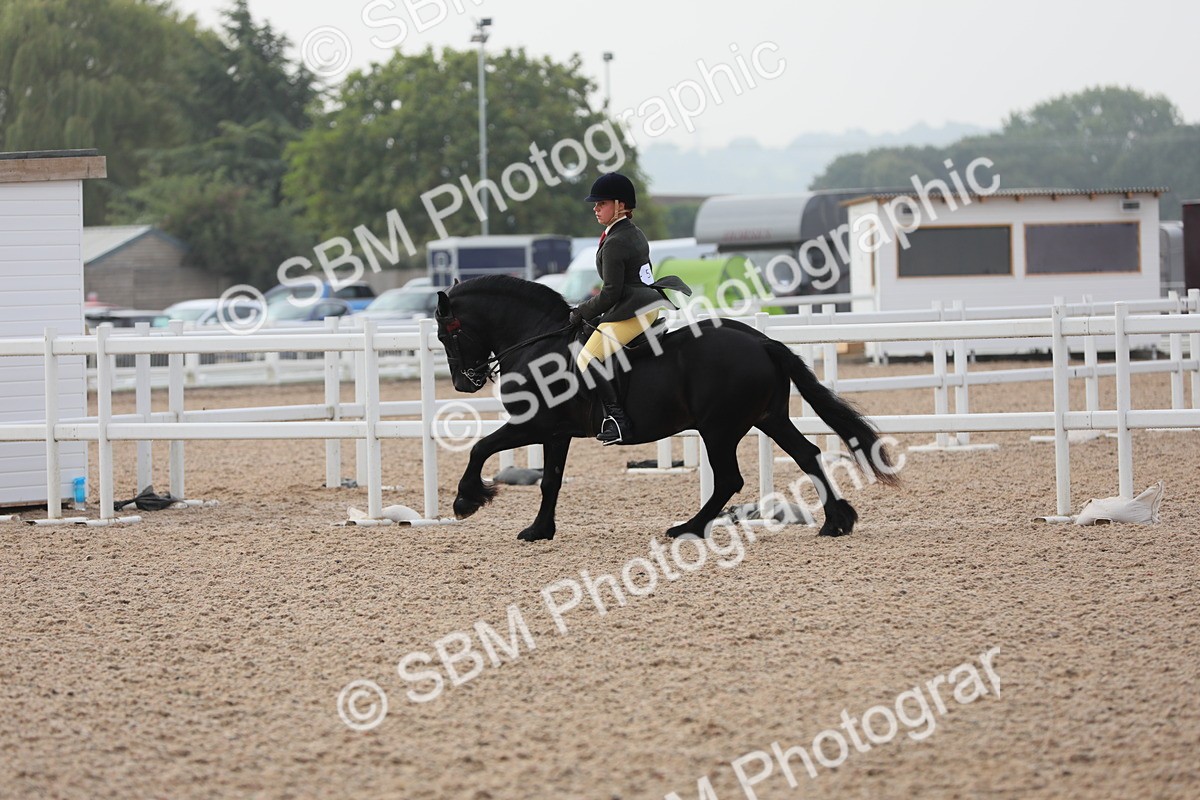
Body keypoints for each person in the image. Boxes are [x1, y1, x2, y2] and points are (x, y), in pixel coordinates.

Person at [569, 172, 690, 445]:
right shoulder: (630, 232)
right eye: (595, 204)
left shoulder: (616, 241)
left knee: (587, 359)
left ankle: (618, 421)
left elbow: (611, 291)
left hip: (632, 309)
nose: (595, 208)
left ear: (620, 205)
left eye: (601, 203)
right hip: (645, 303)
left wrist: (582, 311)